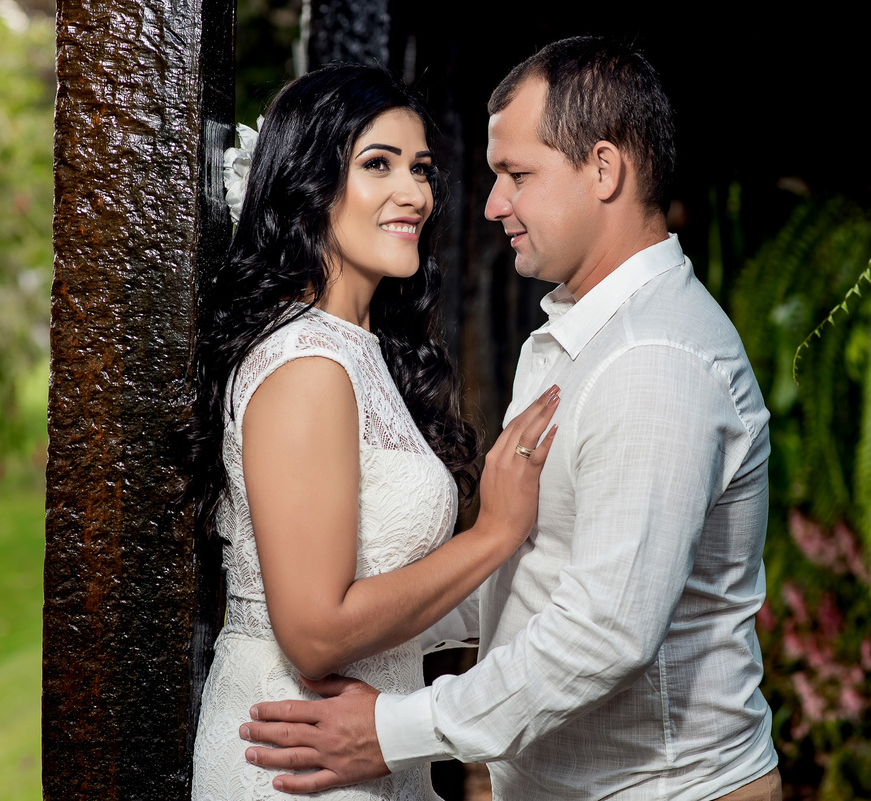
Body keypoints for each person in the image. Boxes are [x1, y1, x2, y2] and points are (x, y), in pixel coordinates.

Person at [240, 37, 783, 800]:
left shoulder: (654, 359)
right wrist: (364, 638)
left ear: (604, 169)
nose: (491, 204)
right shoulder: (570, 336)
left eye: (516, 175)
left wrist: (392, 729)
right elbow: (535, 568)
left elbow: (605, 631)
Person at [185, 63, 558, 800]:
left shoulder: (362, 349)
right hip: (292, 762)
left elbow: (385, 587)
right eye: (377, 164)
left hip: (360, 752)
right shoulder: (307, 365)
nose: (414, 193)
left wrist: (544, 579)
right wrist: (494, 535)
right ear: (309, 184)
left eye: (419, 169)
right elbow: (315, 633)